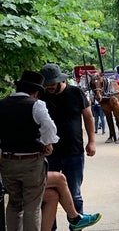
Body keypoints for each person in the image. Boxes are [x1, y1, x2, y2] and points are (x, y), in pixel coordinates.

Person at [0, 70, 59, 231]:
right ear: (35, 92)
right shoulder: (36, 104)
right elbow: (49, 127)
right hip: (31, 162)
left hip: (7, 161)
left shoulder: (2, 104)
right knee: (32, 206)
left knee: (13, 204)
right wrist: (47, 143)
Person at [39, 63, 96, 229]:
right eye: (46, 84)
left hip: (74, 151)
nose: (49, 87)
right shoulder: (42, 95)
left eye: (51, 83)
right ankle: (51, 227)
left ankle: (77, 225)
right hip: (49, 152)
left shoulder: (75, 92)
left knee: (75, 192)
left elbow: (88, 117)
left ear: (59, 80)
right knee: (49, 194)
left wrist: (91, 141)